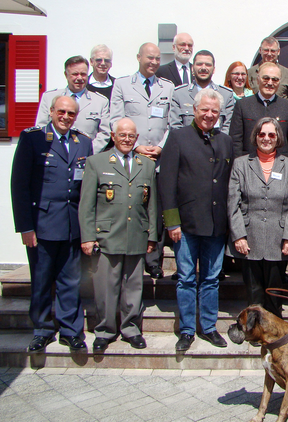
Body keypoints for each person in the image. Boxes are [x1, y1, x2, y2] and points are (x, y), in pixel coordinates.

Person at [11, 96, 93, 353]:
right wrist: (25, 227)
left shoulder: (84, 142)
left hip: (71, 224)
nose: (66, 117)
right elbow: (19, 185)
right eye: (62, 111)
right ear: (51, 111)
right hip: (42, 224)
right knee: (42, 279)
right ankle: (42, 329)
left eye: (71, 113)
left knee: (71, 280)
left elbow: (86, 189)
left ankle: (70, 331)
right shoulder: (33, 138)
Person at [159, 88, 233, 352]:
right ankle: (188, 330)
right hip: (186, 224)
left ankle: (209, 327)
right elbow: (166, 182)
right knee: (187, 278)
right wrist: (172, 222)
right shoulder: (178, 137)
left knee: (211, 279)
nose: (209, 115)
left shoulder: (225, 141)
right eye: (205, 110)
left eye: (214, 111)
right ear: (194, 110)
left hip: (216, 224)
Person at [79, 118, 157, 352]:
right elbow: (87, 204)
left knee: (133, 287)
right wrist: (87, 236)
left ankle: (131, 329)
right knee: (106, 287)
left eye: (131, 136)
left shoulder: (147, 165)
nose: (126, 139)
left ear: (136, 139)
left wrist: (152, 235)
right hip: (107, 235)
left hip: (136, 234)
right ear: (113, 136)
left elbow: (151, 203)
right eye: (122, 135)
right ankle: (104, 330)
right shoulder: (96, 162)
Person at [110, 42, 174, 280]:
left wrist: (160, 146)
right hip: (131, 157)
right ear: (139, 57)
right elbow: (114, 119)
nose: (154, 62)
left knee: (156, 211)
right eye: (149, 58)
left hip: (158, 158)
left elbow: (171, 122)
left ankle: (154, 260)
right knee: (134, 207)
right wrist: (135, 146)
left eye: (157, 59)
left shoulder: (167, 87)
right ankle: (134, 254)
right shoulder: (123, 84)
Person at [227, 118, 288, 317]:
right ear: (255, 137)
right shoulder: (241, 164)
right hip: (249, 239)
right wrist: (239, 236)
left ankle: (275, 332)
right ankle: (254, 331)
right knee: (253, 293)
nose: (266, 139)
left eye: (271, 135)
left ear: (278, 138)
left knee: (275, 294)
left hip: (279, 239)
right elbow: (233, 204)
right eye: (262, 134)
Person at [35, 56, 110, 154]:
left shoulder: (101, 101)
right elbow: (41, 128)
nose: (79, 78)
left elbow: (104, 133)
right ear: (66, 75)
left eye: (83, 74)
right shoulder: (49, 97)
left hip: (87, 157)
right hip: (56, 156)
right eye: (75, 74)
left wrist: (86, 151)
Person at [230, 62, 288, 165]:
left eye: (275, 79)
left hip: (280, 167)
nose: (270, 83)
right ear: (258, 80)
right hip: (249, 165)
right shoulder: (242, 105)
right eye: (266, 78)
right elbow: (235, 142)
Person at [170, 50, 235, 133]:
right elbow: (176, 127)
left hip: (216, 144)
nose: (203, 68)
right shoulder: (179, 94)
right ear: (192, 68)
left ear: (213, 69)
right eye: (199, 64)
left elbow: (227, 127)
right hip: (188, 144)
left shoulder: (226, 95)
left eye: (208, 65)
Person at [248, 37, 288, 104]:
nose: (269, 54)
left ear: (278, 52)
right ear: (260, 50)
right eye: (266, 50)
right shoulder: (250, 73)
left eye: (273, 51)